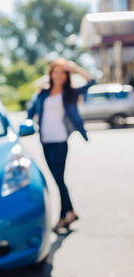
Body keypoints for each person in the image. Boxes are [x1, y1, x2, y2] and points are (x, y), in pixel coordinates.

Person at [27, 58, 95, 232]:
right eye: (55, 72)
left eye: (63, 73)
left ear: (66, 75)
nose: (59, 76)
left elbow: (91, 81)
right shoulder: (43, 92)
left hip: (60, 141)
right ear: (51, 74)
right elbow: (31, 112)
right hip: (45, 140)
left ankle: (63, 217)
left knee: (59, 179)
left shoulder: (70, 92)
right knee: (57, 179)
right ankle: (71, 212)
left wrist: (73, 66)